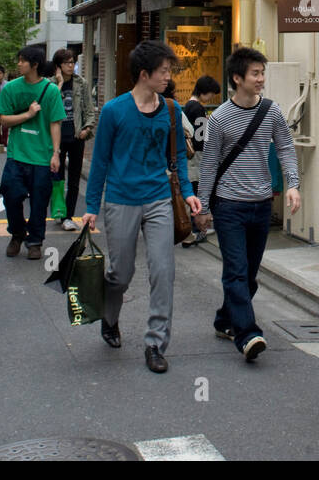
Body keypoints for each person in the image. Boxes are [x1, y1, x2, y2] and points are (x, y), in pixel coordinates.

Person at [78, 41, 200, 374]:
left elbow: (176, 159)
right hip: (120, 200)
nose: (168, 77)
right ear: (144, 74)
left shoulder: (171, 110)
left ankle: (155, 343)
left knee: (163, 270)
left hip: (160, 198)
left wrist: (187, 193)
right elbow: (100, 161)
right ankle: (110, 317)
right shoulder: (115, 111)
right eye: (163, 71)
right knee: (121, 273)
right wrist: (91, 207)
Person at [196, 48, 301, 362]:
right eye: (255, 74)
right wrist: (203, 207)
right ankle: (247, 333)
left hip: (261, 204)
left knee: (250, 274)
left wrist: (292, 184)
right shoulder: (220, 119)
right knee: (237, 272)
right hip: (229, 206)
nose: (261, 79)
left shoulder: (272, 112)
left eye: (262, 73)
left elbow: (285, 148)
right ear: (237, 78)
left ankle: (225, 319)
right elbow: (210, 164)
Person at [0, 47, 64, 260]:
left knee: (39, 202)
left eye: (23, 61)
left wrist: (56, 154)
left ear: (35, 65)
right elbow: (3, 119)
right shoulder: (11, 88)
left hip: (42, 156)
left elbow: (55, 123)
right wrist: (27, 114)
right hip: (17, 154)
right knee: (10, 194)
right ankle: (17, 233)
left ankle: (35, 241)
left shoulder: (50, 91)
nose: (19, 64)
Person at [51, 48, 97, 231]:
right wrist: (60, 84)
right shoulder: (50, 84)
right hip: (58, 138)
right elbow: (49, 105)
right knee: (57, 177)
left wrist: (87, 128)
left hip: (77, 136)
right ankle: (59, 211)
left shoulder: (81, 83)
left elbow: (89, 108)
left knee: (74, 178)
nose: (71, 66)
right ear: (59, 66)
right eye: (67, 63)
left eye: (73, 62)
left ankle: (68, 216)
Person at [180, 76, 219, 247]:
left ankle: (194, 227)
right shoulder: (198, 108)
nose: (211, 98)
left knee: (193, 190)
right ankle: (198, 228)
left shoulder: (188, 105)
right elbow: (201, 138)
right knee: (198, 190)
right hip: (197, 157)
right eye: (210, 94)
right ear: (204, 91)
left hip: (190, 156)